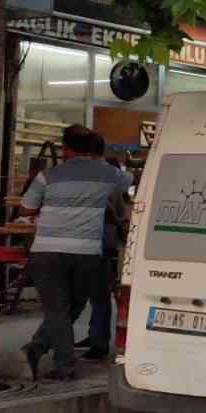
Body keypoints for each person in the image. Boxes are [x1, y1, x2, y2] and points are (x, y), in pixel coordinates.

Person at [17, 125, 132, 380]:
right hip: (87, 253)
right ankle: (37, 350)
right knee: (75, 306)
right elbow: (131, 183)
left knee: (57, 310)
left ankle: (60, 364)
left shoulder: (48, 175)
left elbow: (25, 210)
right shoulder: (108, 173)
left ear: (65, 148)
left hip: (47, 251)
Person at [78, 134, 129, 359]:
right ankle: (95, 335)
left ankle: (99, 341)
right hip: (100, 240)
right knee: (95, 293)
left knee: (97, 292)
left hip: (97, 240)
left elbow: (113, 210)